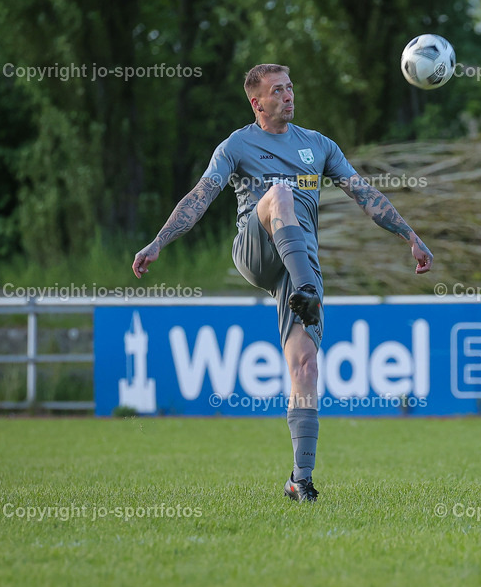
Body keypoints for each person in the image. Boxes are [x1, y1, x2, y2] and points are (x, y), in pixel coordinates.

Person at [132, 63, 433, 502]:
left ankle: (301, 479)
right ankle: (306, 288)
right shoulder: (237, 145)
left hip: (297, 270)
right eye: (278, 91)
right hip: (257, 252)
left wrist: (411, 235)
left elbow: (364, 193)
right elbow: (200, 196)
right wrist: (160, 241)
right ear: (257, 103)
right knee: (281, 194)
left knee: (305, 369)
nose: (289, 96)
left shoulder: (319, 145)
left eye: (291, 87)